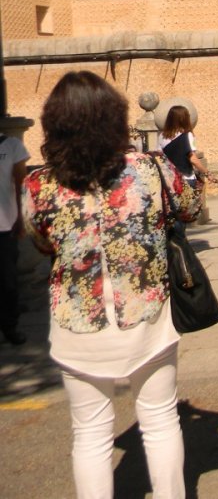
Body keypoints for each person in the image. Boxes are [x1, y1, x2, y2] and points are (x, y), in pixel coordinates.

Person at [22, 71, 202, 498]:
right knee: (160, 421)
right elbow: (190, 207)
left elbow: (40, 241)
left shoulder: (39, 184)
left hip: (77, 325)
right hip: (146, 318)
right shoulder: (150, 169)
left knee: (90, 434)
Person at [0, 131, 29, 346]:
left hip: (5, 225)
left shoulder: (12, 145)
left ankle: (10, 326)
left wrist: (22, 217)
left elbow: (22, 185)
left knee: (7, 282)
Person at [158, 105, 207, 184]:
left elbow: (159, 157)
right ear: (184, 119)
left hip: (169, 180)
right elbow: (193, 159)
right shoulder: (188, 135)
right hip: (186, 179)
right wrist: (207, 173)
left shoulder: (161, 136)